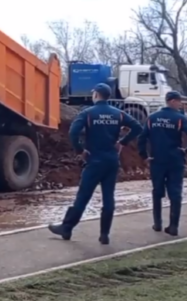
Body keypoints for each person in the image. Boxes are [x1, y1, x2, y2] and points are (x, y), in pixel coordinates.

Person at [48, 83, 143, 245]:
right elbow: (137, 127)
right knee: (108, 197)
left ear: (97, 95)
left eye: (93, 93)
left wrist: (80, 150)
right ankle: (104, 234)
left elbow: (73, 132)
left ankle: (67, 228)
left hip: (94, 161)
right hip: (112, 161)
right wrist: (122, 142)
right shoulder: (118, 114)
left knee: (83, 197)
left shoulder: (88, 114)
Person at [137, 91, 187, 237]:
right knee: (175, 192)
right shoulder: (179, 118)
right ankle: (173, 226)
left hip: (157, 160)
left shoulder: (152, 118)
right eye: (178, 101)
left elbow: (142, 138)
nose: (180, 104)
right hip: (175, 159)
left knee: (157, 191)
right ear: (171, 101)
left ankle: (157, 223)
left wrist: (144, 155)